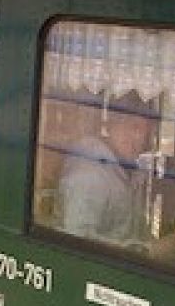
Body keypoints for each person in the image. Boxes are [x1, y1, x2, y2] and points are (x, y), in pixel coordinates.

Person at [56, 103, 154, 245]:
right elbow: (77, 240)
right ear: (111, 126)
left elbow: (134, 229)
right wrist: (140, 251)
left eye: (144, 132)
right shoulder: (89, 176)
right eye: (133, 127)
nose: (137, 138)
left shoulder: (128, 172)